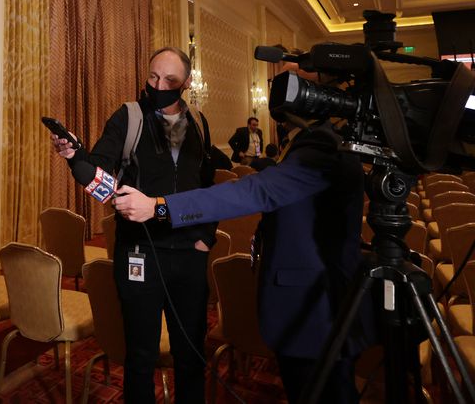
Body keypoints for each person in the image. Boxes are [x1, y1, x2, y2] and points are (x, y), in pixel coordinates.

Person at [113, 115, 375, 404]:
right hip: (310, 305)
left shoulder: (323, 146)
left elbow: (255, 190)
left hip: (318, 310)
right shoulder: (314, 142)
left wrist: (158, 206)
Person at [52, 47, 217, 403]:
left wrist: (205, 238)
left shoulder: (199, 123)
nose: (158, 85)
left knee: (190, 355)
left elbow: (207, 186)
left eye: (169, 80)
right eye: (153, 77)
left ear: (186, 84)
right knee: (140, 355)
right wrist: (74, 157)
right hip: (140, 253)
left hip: (189, 254)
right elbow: (97, 170)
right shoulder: (129, 116)